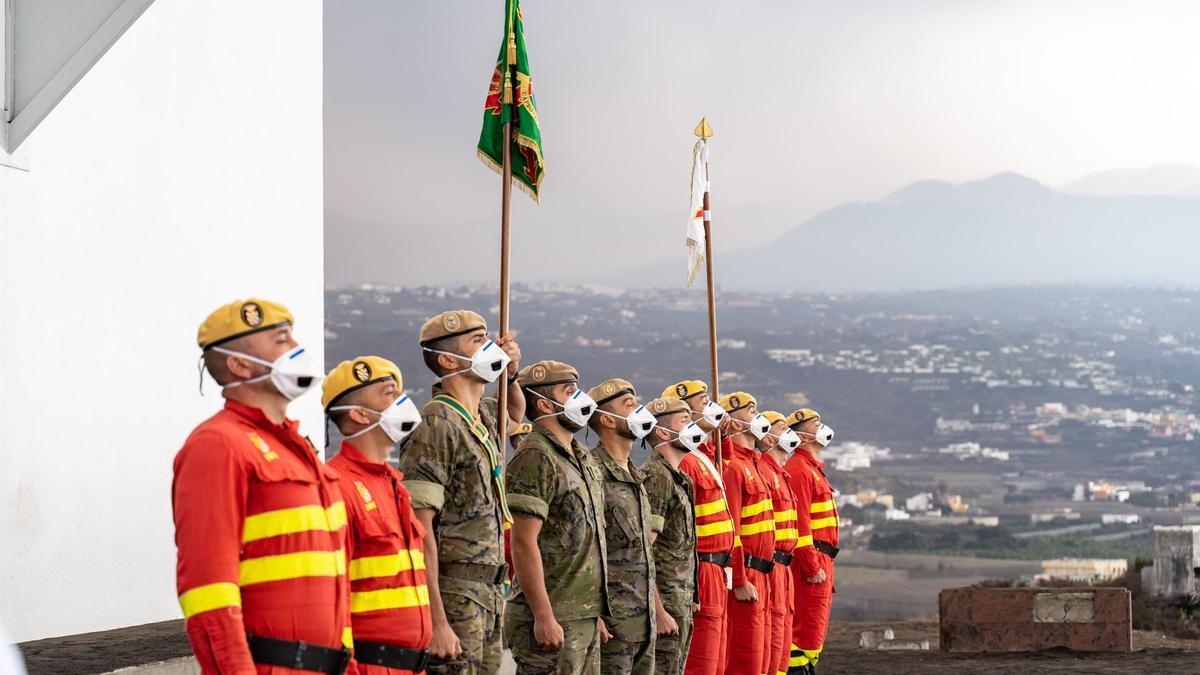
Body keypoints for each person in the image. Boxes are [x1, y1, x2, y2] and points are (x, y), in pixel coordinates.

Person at [175, 298, 354, 674]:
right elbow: (208, 591)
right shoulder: (218, 445)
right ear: (240, 364)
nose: (296, 349)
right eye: (281, 340)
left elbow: (334, 577)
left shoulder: (296, 448)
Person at [396, 310, 523, 674]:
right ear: (449, 359)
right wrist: (436, 620)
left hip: (489, 591)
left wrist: (510, 373)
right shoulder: (437, 424)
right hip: (456, 594)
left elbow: (515, 412)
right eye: (478, 342)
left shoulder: (479, 413)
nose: (489, 348)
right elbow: (419, 529)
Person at [324, 356, 432, 674]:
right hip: (369, 666)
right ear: (359, 414)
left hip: (411, 665)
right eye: (389, 393)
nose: (402, 401)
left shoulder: (393, 485)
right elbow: (330, 594)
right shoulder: (334, 485)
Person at [505, 360, 608, 674]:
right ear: (544, 404)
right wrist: (543, 616)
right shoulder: (536, 456)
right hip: (554, 616)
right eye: (569, 391)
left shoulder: (580, 456)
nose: (580, 399)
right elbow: (523, 542)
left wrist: (594, 612)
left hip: (583, 616)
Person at [587, 379, 659, 674]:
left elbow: (644, 553)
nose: (639, 411)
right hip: (613, 623)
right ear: (607, 419)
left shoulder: (636, 475)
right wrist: (594, 616)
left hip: (643, 620)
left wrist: (658, 609)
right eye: (629, 405)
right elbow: (587, 548)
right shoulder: (593, 474)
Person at [661, 380, 733, 675]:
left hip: (716, 567)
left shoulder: (702, 454)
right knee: (702, 659)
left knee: (716, 657)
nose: (712, 407)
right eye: (704, 403)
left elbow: (723, 472)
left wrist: (723, 435)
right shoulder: (687, 461)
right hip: (701, 566)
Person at [639, 397, 699, 675]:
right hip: (664, 603)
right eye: (685, 421)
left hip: (680, 599)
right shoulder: (656, 477)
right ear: (663, 432)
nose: (693, 426)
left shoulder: (678, 477)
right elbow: (643, 552)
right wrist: (659, 611)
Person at [718, 392, 776, 675]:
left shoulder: (755, 465)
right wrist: (739, 578)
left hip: (763, 574)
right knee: (745, 659)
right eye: (751, 411)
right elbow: (732, 531)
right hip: (747, 574)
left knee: (763, 659)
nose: (759, 416)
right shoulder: (734, 468)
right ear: (737, 424)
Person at [783, 409, 839, 675]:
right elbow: (800, 521)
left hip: (823, 559)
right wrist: (810, 563)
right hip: (813, 561)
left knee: (815, 631)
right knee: (803, 630)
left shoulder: (811, 469)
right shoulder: (799, 470)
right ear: (800, 434)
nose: (822, 427)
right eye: (815, 424)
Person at [753, 411, 801, 675]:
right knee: (770, 641)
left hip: (784, 568)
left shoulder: (781, 474)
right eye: (782, 428)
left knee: (782, 635)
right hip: (770, 566)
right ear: (768, 437)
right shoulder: (763, 471)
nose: (789, 434)